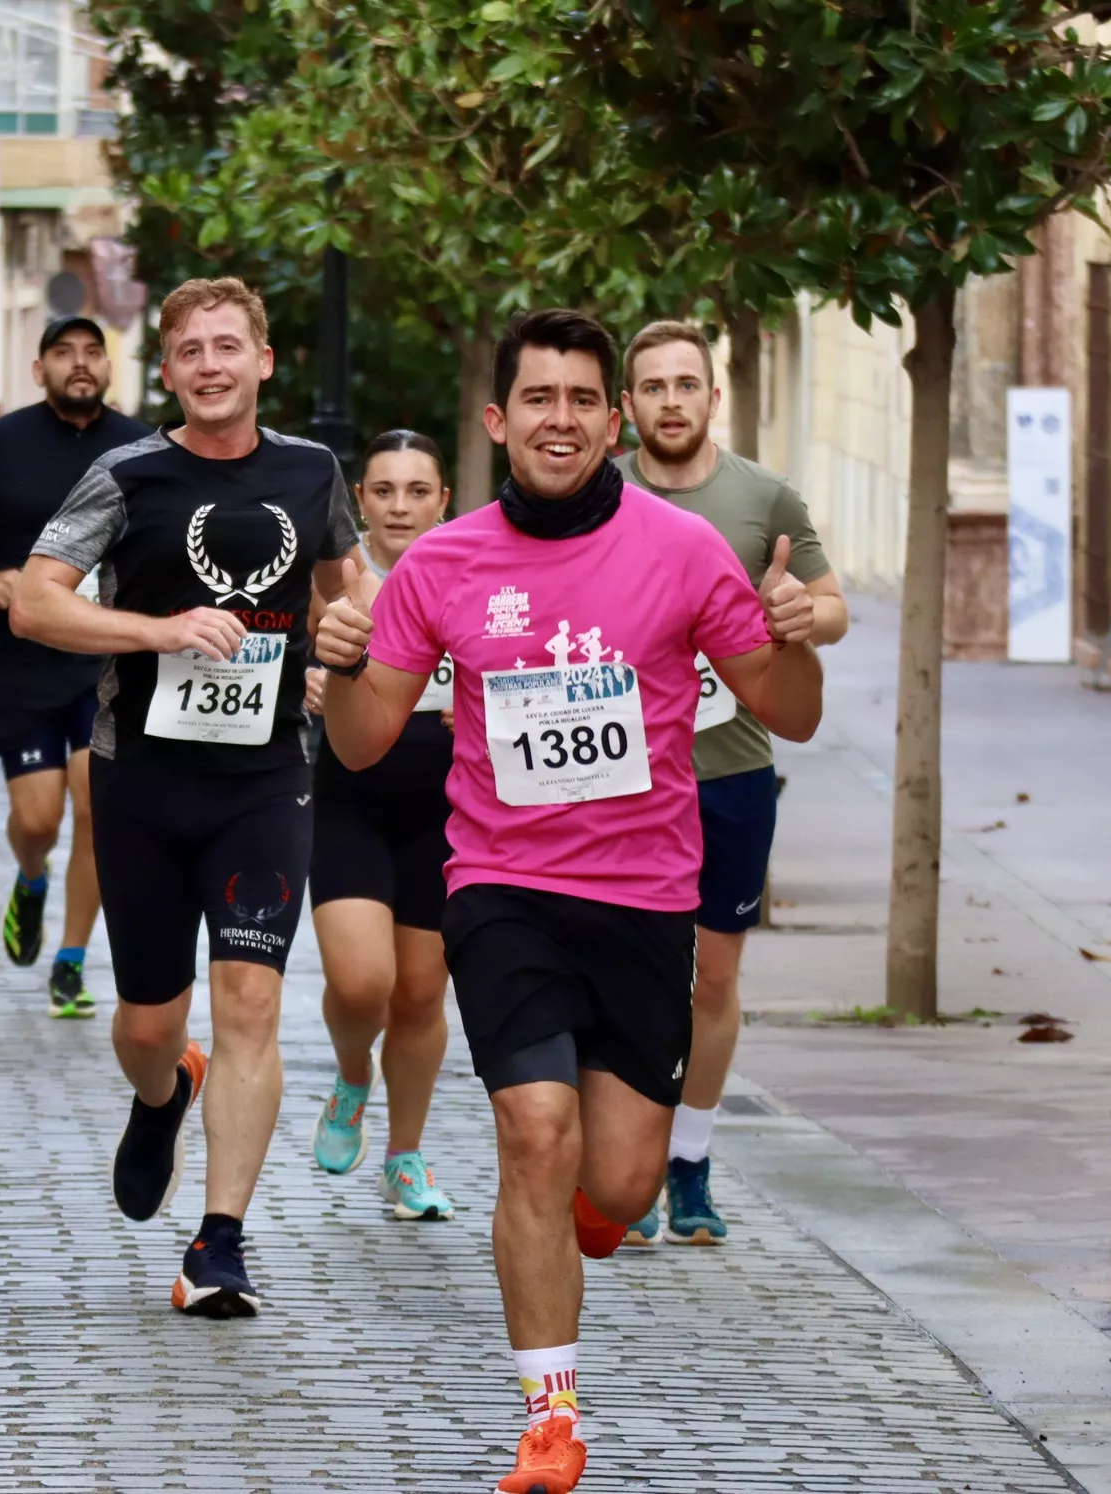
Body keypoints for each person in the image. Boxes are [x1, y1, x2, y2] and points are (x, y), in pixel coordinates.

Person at [314, 309, 823, 1493]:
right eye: (536, 399)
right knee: (531, 1135)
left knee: (618, 1187)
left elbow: (786, 710)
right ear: (497, 423)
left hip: (646, 897)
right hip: (503, 888)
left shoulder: (686, 551)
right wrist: (338, 663)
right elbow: (362, 741)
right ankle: (549, 1416)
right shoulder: (443, 565)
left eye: (581, 401)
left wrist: (792, 638)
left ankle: (593, 1216)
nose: (559, 420)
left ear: (613, 421)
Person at [11, 276, 359, 1320]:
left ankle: (219, 1243)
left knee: (252, 998)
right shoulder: (128, 476)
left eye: (228, 346)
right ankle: (162, 1094)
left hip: (264, 779)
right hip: (143, 777)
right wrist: (159, 631)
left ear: (262, 360)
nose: (210, 365)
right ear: (165, 371)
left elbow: (350, 593)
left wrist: (338, 656)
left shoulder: (309, 471)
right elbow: (34, 602)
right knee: (145, 1020)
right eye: (189, 351)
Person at [612, 320, 850, 1248]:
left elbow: (828, 606)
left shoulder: (762, 498)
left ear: (714, 397)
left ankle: (691, 1160)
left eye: (686, 383)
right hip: (619, 779)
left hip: (730, 773)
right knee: (632, 975)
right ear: (627, 405)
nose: (671, 400)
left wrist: (799, 615)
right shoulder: (599, 494)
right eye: (653, 387)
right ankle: (626, 1164)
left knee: (712, 977)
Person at [0, 316, 151, 1016]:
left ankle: (70, 958)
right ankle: (30, 878)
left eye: (93, 352)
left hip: (105, 661)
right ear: (40, 370)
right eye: (64, 353)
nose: (80, 364)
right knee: (38, 819)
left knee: (95, 805)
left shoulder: (139, 448)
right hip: (22, 659)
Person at [300, 430, 458, 1221]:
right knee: (363, 984)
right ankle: (351, 1070)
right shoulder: (336, 578)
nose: (401, 506)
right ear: (359, 500)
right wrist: (305, 682)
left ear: (444, 499)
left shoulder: (477, 571)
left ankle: (405, 1157)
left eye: (417, 491)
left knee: (422, 993)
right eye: (384, 491)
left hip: (448, 808)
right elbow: (276, 654)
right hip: (351, 795)